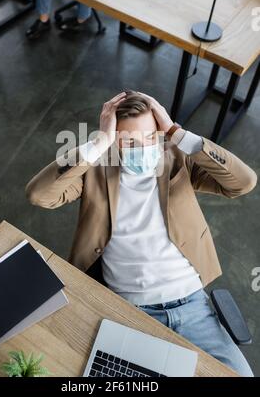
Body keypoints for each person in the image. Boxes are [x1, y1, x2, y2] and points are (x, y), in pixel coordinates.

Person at [26, 90, 257, 376]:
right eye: (130, 142)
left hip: (194, 306)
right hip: (131, 310)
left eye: (150, 137)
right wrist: (99, 144)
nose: (144, 148)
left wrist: (176, 132)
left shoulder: (177, 158)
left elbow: (243, 182)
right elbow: (39, 195)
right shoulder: (97, 168)